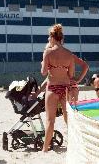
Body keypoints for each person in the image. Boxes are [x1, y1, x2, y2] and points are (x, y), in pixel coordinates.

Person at [41, 24, 75, 152]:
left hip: (53, 88)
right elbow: (71, 75)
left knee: (50, 121)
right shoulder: (69, 54)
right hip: (66, 88)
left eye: (49, 37)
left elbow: (44, 73)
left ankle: (45, 149)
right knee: (69, 120)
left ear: (52, 37)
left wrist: (45, 65)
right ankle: (74, 144)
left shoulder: (48, 52)